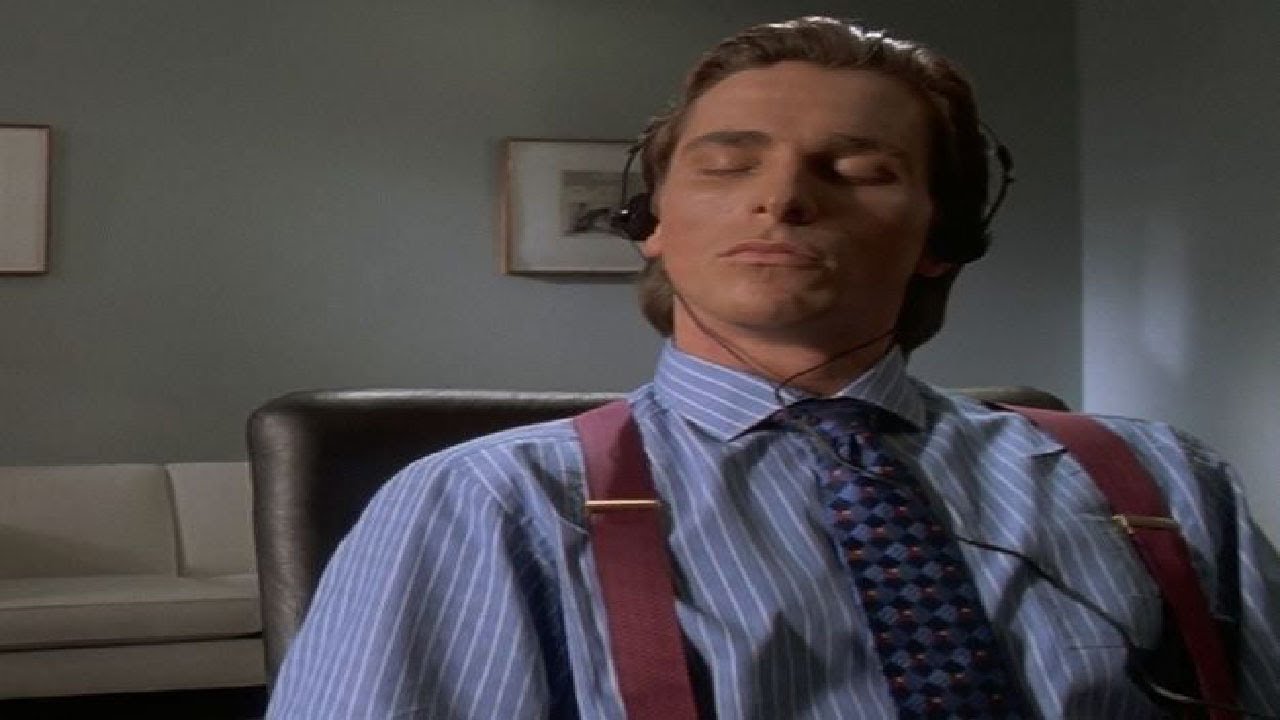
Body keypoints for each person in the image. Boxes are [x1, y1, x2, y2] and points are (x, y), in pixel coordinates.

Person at [268, 17, 1280, 719]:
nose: (783, 199)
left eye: (860, 170)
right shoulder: (485, 505)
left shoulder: (1158, 481)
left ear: (943, 238)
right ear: (652, 222)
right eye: (726, 164)